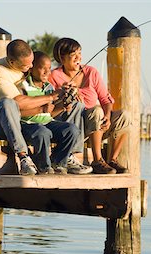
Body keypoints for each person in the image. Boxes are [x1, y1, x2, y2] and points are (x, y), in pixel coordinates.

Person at [0, 39, 79, 175]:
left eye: (32, 62)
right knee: (7, 103)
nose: (30, 67)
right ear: (12, 63)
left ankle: (58, 162)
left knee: (71, 128)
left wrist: (63, 98)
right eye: (27, 65)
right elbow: (18, 103)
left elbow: (49, 109)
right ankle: (23, 156)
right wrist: (50, 98)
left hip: (32, 121)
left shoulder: (30, 72)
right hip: (2, 123)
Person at [49, 38, 129, 174]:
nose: (78, 58)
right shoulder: (55, 75)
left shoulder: (91, 72)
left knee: (124, 115)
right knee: (96, 111)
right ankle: (98, 160)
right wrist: (63, 92)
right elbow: (51, 104)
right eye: (73, 55)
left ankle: (113, 160)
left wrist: (108, 116)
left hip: (97, 125)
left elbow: (105, 98)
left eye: (79, 53)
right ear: (62, 58)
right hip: (73, 124)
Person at [21, 50, 92, 174]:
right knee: (43, 132)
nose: (47, 72)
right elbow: (19, 111)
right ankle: (43, 166)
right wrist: (41, 108)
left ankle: (58, 162)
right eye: (42, 68)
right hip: (28, 124)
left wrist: (64, 106)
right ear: (31, 69)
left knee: (72, 130)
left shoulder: (49, 87)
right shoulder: (23, 85)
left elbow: (50, 113)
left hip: (47, 122)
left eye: (49, 69)